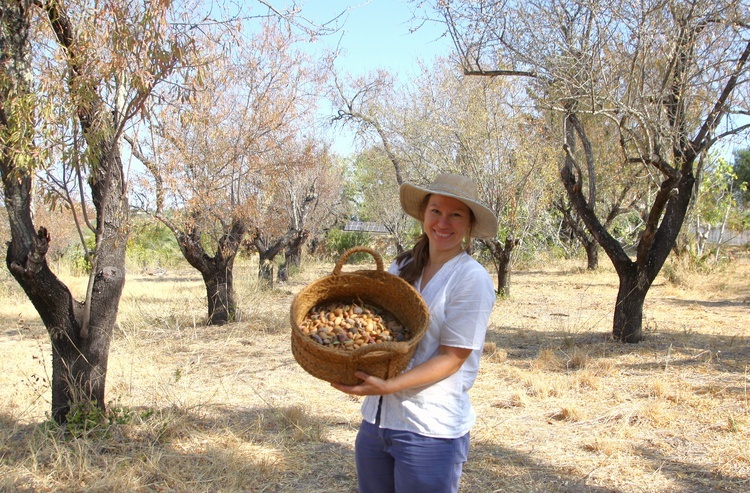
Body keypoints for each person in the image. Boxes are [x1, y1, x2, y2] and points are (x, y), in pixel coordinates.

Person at [332, 173, 498, 493]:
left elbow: (452, 357)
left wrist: (389, 385)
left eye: (456, 214)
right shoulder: (403, 265)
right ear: (423, 214)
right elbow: (376, 325)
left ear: (469, 225)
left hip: (429, 429)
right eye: (436, 211)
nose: (443, 222)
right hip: (377, 423)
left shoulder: (470, 279)